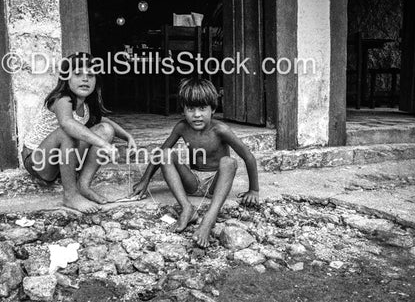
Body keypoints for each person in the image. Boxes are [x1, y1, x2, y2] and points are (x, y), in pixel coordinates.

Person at [131, 78, 259, 247]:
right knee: (165, 153)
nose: (196, 114)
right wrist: (145, 180)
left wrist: (254, 190)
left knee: (229, 162)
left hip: (215, 183)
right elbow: (160, 152)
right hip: (192, 181)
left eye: (202, 108)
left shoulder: (220, 130)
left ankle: (209, 220)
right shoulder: (182, 127)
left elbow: (248, 156)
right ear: (183, 110)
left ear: (213, 109)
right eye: (190, 109)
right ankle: (187, 207)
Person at [23, 52, 137, 213]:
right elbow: (67, 124)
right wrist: (104, 144)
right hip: (39, 162)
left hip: (61, 161)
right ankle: (70, 195)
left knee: (106, 130)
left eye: (91, 75)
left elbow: (104, 121)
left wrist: (127, 136)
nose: (85, 79)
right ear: (66, 78)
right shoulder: (61, 99)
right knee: (68, 133)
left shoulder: (87, 105)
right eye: (78, 74)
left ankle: (83, 185)